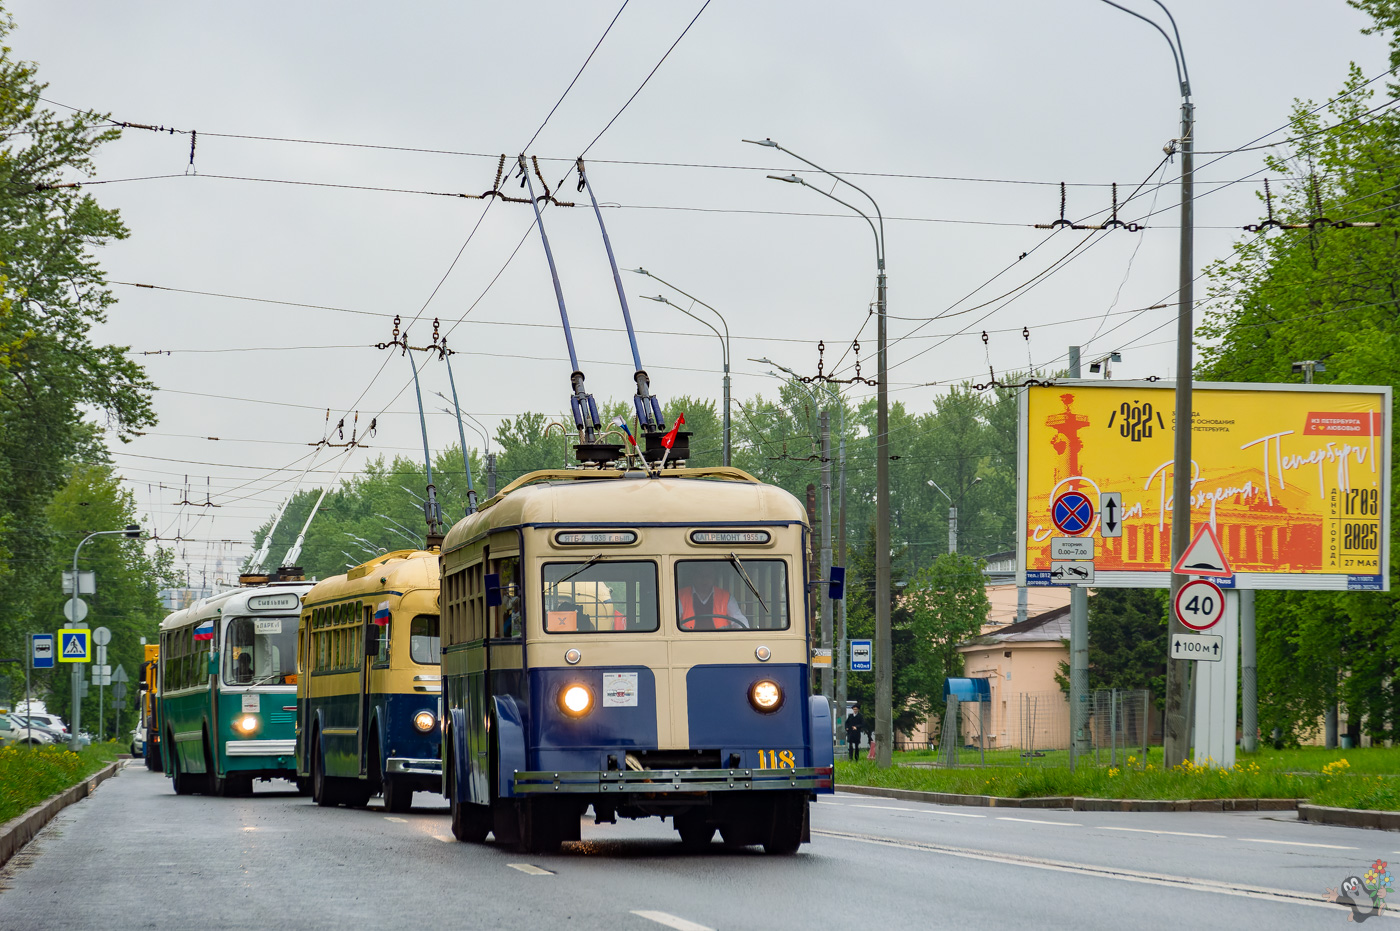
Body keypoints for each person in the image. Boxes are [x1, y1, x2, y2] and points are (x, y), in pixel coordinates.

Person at [677, 562, 749, 630]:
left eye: (709, 576)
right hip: (689, 640)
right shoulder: (680, 596)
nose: (704, 580)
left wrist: (743, 632)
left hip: (720, 640)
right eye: (700, 575)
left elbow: (738, 618)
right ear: (694, 577)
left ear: (714, 578)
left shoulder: (725, 597)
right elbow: (673, 620)